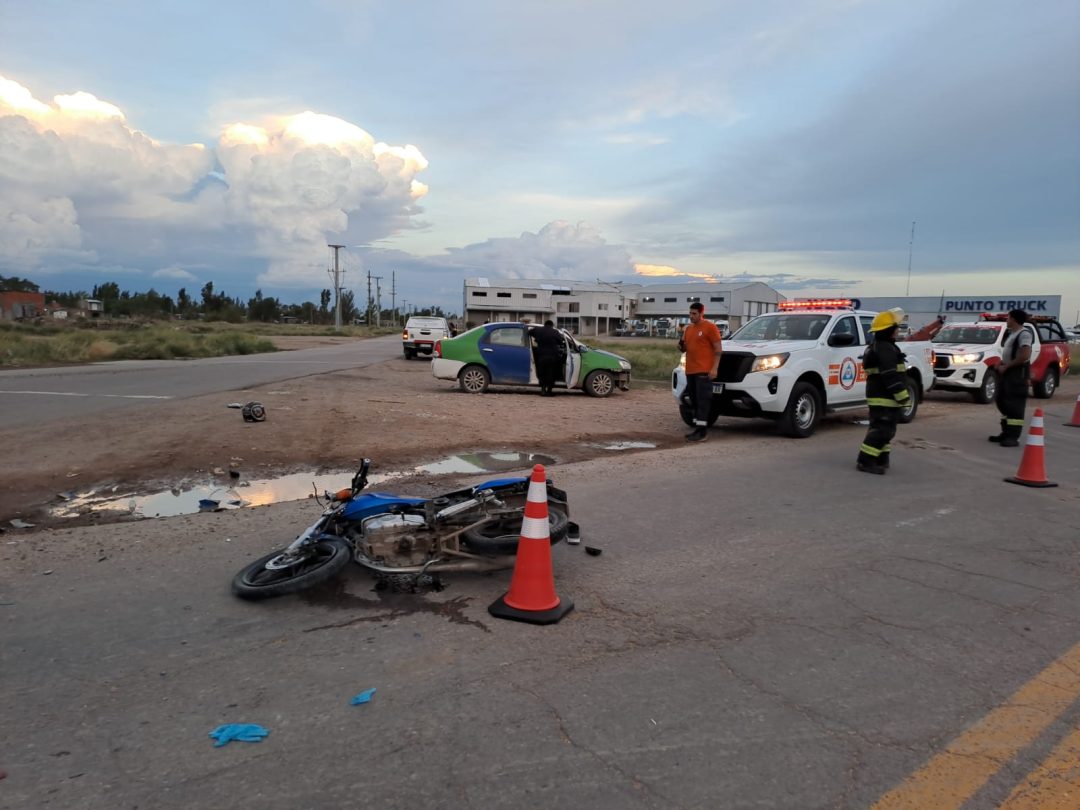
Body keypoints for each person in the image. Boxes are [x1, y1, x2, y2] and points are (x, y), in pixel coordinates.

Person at [856, 308, 911, 474]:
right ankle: (866, 461)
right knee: (883, 430)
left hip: (881, 396)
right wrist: (903, 397)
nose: (897, 331)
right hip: (884, 397)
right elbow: (890, 375)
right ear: (888, 330)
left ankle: (880, 458)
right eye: (895, 328)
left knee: (885, 430)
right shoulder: (885, 348)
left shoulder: (881, 346)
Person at [989, 309, 1033, 447]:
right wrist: (1001, 363)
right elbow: (1010, 354)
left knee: (1015, 405)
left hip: (1017, 374)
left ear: (1013, 319)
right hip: (1008, 372)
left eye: (1008, 317)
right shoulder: (1012, 334)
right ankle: (1006, 432)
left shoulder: (1024, 334)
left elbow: (1025, 355)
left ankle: (1013, 436)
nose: (1007, 320)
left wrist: (1007, 366)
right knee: (1002, 401)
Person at [680, 303, 723, 442]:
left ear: (701, 313)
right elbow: (685, 348)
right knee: (694, 400)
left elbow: (718, 349)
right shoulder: (688, 329)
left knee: (703, 400)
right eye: (690, 313)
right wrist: (681, 346)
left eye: (694, 314)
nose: (691, 316)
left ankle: (702, 431)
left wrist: (714, 368)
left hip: (704, 370)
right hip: (690, 370)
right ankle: (698, 428)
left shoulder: (710, 327)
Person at [530, 320, 565, 397]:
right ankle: (549, 391)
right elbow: (561, 342)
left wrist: (536, 338)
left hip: (541, 356)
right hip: (553, 356)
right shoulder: (555, 332)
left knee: (542, 373)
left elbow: (528, 332)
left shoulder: (538, 330)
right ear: (552, 325)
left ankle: (542, 390)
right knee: (551, 373)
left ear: (544, 324)